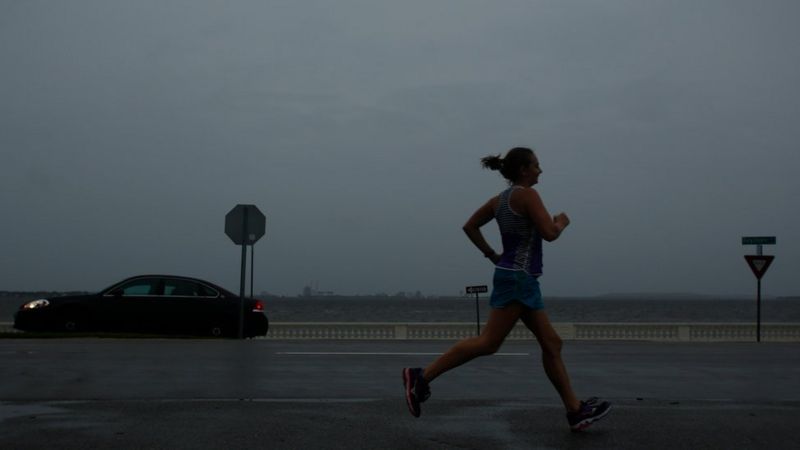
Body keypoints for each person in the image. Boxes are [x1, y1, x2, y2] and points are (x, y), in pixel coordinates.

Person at [402, 147, 611, 432]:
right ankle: (421, 377)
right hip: (518, 280)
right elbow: (549, 234)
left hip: (517, 277)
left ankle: (575, 411)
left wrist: (493, 255)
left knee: (552, 344)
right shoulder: (527, 195)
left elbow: (470, 226)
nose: (540, 170)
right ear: (524, 170)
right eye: (536, 165)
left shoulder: (499, 200)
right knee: (488, 343)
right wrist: (561, 222)